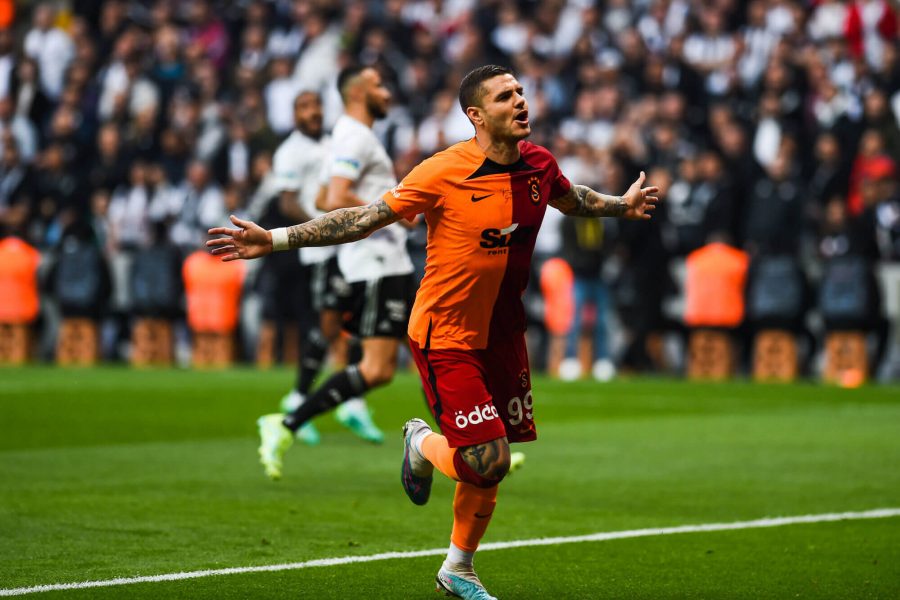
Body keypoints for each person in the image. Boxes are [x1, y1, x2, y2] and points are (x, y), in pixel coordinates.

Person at [208, 64, 658, 600]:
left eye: (520, 92)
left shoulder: (539, 164)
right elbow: (362, 218)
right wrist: (277, 239)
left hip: (503, 333)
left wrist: (620, 205)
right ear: (476, 115)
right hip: (445, 334)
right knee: (487, 459)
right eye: (505, 97)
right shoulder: (443, 171)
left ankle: (457, 569)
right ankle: (421, 442)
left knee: (489, 465)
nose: (520, 101)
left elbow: (571, 197)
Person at [256, 65, 419, 477]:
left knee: (431, 354)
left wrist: (393, 210)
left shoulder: (343, 136)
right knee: (379, 368)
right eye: (379, 85)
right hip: (377, 264)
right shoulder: (353, 137)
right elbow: (333, 198)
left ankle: (473, 444)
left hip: (387, 261)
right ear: (359, 92)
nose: (387, 92)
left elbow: (320, 195)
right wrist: (393, 209)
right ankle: (288, 422)